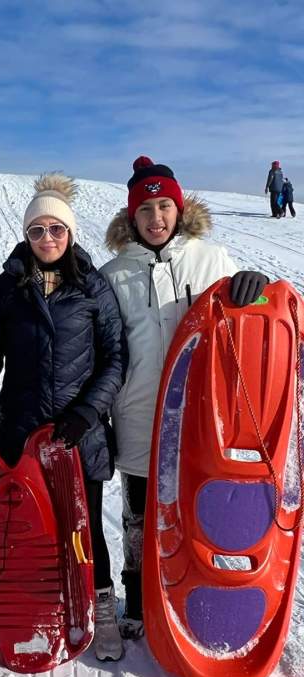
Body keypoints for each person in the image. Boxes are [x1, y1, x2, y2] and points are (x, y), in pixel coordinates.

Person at [0, 174, 128, 661]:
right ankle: (34, 609)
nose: (47, 239)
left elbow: (114, 359)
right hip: (22, 433)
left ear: (70, 233)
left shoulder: (93, 287)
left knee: (85, 529)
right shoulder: (8, 288)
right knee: (28, 528)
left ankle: (99, 610)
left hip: (76, 434)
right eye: (38, 230)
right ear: (27, 235)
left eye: (56, 229)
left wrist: (86, 414)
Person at [100, 156, 270, 640]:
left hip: (200, 414)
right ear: (131, 217)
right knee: (139, 516)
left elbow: (253, 316)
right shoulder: (114, 274)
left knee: (197, 509)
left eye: (164, 207)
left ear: (179, 209)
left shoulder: (211, 260)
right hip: (137, 412)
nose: (156, 218)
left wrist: (253, 288)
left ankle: (192, 595)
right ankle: (138, 600)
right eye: (146, 209)